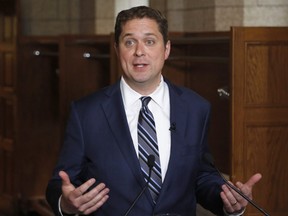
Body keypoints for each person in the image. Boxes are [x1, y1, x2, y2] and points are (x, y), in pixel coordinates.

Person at [46, 6, 262, 216]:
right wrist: (66, 204)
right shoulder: (86, 112)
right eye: (129, 42)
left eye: (150, 41)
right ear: (116, 49)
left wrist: (228, 201)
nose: (139, 51)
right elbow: (61, 183)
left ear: (166, 49)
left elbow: (201, 176)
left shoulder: (196, 108)